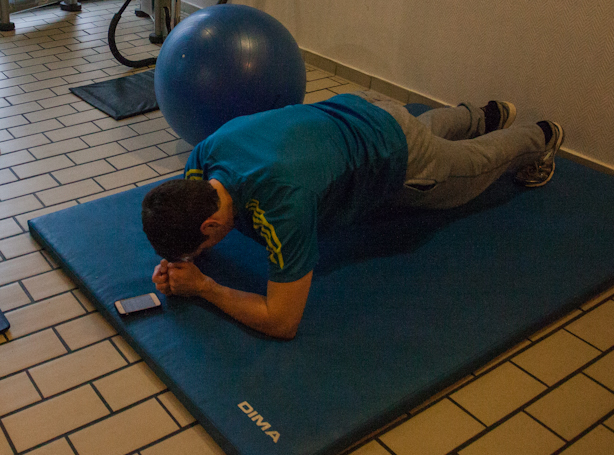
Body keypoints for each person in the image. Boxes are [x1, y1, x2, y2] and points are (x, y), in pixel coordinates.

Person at [141, 94, 563, 339]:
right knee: (421, 126)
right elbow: (195, 226)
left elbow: (282, 321)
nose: (198, 256)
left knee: (471, 167)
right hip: (361, 109)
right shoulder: (204, 157)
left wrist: (205, 287)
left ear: (211, 225)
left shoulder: (281, 204)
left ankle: (541, 137)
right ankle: (483, 114)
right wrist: (181, 261)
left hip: (397, 153)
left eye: (199, 247)